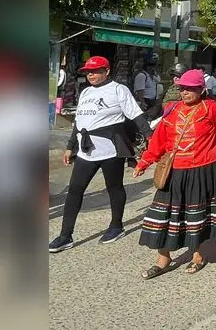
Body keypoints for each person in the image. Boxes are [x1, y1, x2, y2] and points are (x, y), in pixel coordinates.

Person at [133, 69, 216, 278]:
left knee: (194, 216)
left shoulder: (210, 108)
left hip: (202, 169)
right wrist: (144, 162)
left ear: (201, 89)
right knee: (165, 215)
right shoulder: (172, 110)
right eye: (182, 88)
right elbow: (159, 140)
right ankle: (164, 258)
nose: (185, 92)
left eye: (191, 88)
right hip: (175, 171)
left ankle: (197, 255)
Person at [49, 56, 153, 253]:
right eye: (88, 71)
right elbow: (79, 122)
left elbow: (135, 113)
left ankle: (116, 226)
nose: (91, 75)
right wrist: (71, 146)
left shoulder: (118, 89)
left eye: (95, 71)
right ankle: (65, 235)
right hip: (86, 150)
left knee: (114, 187)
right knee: (75, 190)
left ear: (107, 71)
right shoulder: (86, 92)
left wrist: (150, 135)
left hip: (110, 149)